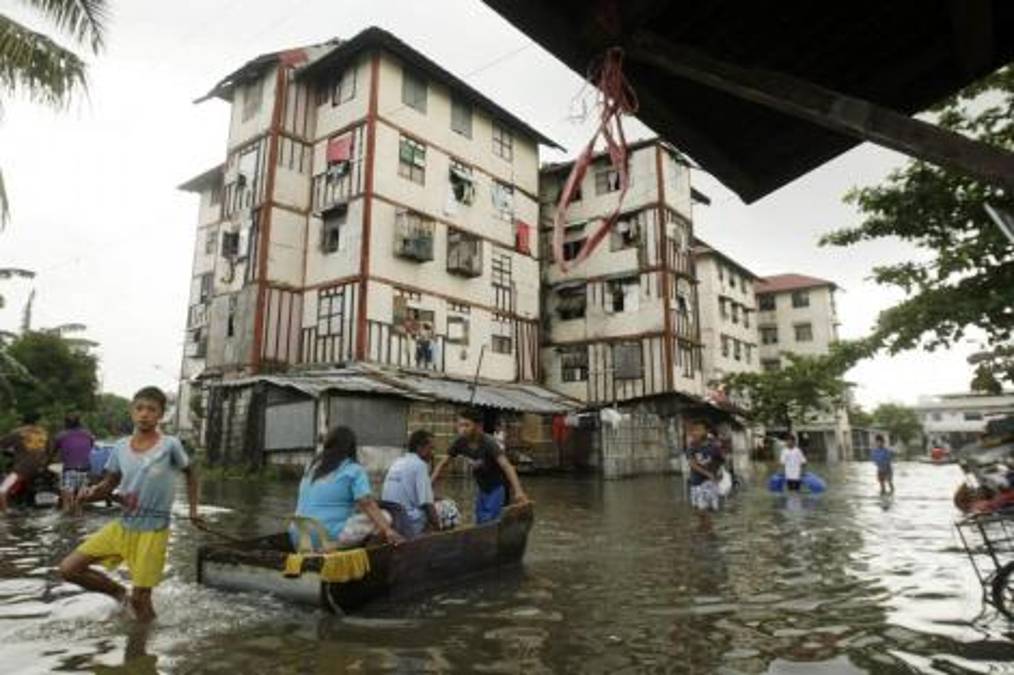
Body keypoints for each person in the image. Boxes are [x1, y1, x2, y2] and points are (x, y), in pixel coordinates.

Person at [58, 386, 202, 622]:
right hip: (123, 525)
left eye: (151, 410)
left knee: (141, 599)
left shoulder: (170, 445)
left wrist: (194, 510)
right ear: (132, 411)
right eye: (140, 408)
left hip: (153, 531)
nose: (144, 414)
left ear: (160, 414)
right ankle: (118, 592)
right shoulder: (120, 447)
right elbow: (108, 485)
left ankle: (143, 642)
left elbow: (191, 473)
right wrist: (88, 494)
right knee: (69, 569)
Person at [289, 426, 403, 551]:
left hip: (297, 534)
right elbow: (367, 503)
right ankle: (369, 555)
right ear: (351, 448)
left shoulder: (312, 466)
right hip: (325, 536)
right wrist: (388, 530)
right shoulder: (353, 469)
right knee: (385, 517)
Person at [431, 407, 529, 524]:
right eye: (460, 425)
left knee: (490, 521)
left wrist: (519, 491)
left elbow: (507, 466)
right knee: (479, 520)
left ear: (478, 426)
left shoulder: (488, 443)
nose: (462, 429)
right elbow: (443, 463)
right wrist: (429, 484)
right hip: (482, 487)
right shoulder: (460, 442)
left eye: (467, 425)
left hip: (497, 487)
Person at [381, 430, 439, 539]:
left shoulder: (398, 461)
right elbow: (427, 504)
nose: (433, 453)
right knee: (447, 507)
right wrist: (438, 529)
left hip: (391, 516)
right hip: (408, 521)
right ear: (419, 448)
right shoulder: (420, 465)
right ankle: (427, 538)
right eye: (431, 448)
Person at [0, 412, 51, 512]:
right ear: (37, 421)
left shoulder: (18, 432)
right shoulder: (44, 432)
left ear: (23, 421)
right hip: (42, 467)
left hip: (23, 468)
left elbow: (2, 444)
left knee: (2, 490)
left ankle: (5, 515)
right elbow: (49, 450)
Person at [54, 413, 95, 515]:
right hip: (86, 470)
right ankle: (79, 516)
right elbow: (90, 447)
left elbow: (53, 451)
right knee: (79, 507)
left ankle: (67, 518)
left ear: (65, 423)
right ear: (79, 423)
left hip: (69, 470)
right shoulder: (88, 434)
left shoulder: (61, 436)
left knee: (67, 506)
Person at [686, 426, 719, 512]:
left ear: (706, 431)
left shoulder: (713, 446)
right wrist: (708, 474)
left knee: (709, 511)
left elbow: (718, 460)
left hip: (710, 483)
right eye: (694, 430)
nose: (695, 433)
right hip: (697, 483)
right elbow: (692, 464)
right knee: (699, 511)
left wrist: (717, 473)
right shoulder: (692, 447)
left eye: (698, 430)